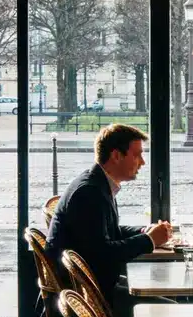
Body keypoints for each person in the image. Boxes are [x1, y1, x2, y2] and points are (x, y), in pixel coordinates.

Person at [44, 123, 172, 296]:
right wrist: (149, 240)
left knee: (157, 290)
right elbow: (103, 254)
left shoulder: (96, 183)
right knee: (168, 306)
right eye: (137, 155)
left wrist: (144, 231)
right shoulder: (89, 192)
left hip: (92, 286)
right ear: (116, 156)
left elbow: (107, 233)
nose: (142, 162)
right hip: (88, 296)